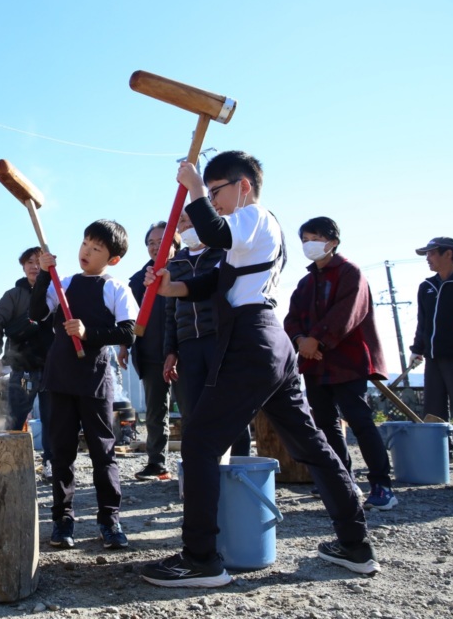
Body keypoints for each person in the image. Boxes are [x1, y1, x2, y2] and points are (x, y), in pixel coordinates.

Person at [140, 151, 378, 587]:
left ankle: (200, 559)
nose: (213, 202)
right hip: (269, 342)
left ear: (243, 186)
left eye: (217, 193)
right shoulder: (248, 234)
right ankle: (355, 544)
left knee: (200, 441)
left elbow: (212, 230)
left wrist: (193, 187)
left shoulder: (255, 216)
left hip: (252, 340)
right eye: (208, 194)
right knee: (311, 445)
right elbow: (217, 280)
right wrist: (173, 285)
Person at [29, 220, 138, 551]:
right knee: (61, 452)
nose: (86, 251)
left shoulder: (115, 288)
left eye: (97, 248)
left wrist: (89, 333)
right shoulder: (62, 283)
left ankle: (109, 519)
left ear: (113, 259)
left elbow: (128, 332)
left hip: (95, 378)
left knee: (103, 451)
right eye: (85, 243)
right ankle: (62, 520)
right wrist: (46, 274)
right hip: (60, 376)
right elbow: (36, 313)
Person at [284, 217, 396, 509]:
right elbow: (291, 317)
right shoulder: (306, 282)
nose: (310, 245)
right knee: (325, 424)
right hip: (314, 363)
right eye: (305, 239)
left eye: (315, 238)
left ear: (333, 241)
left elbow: (347, 313)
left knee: (359, 420)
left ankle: (382, 485)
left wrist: (316, 340)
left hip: (348, 360)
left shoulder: (350, 273)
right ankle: (341, 482)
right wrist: (300, 340)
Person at [162, 211, 250, 456]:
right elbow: (170, 312)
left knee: (231, 406)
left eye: (193, 219)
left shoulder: (223, 253)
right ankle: (196, 473)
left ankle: (240, 468)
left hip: (220, 338)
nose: (187, 224)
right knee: (193, 411)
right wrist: (170, 350)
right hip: (188, 343)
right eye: (182, 221)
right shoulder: (175, 263)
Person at [0, 246, 55, 479]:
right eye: (29, 262)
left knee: (53, 417)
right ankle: (9, 463)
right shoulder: (13, 295)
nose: (35, 266)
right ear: (23, 267)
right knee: (16, 416)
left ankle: (51, 465)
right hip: (23, 368)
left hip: (52, 369)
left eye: (38, 261)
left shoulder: (55, 291)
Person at [124, 222, 180, 481]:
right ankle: (157, 463)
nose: (155, 247)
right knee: (156, 412)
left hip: (185, 353)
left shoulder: (187, 271)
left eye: (162, 241)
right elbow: (127, 317)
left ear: (175, 243)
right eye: (151, 243)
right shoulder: (138, 280)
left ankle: (196, 464)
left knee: (192, 410)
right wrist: (124, 345)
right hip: (149, 353)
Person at [410, 236, 453, 459]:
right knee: (433, 409)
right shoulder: (426, 286)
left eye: (431, 253)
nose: (427, 259)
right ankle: (442, 454)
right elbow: (423, 321)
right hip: (432, 357)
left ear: (448, 254)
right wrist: (417, 349)